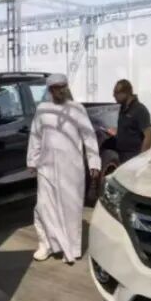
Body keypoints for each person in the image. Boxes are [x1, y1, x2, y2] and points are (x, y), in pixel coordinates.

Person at [26, 73, 101, 265]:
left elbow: (89, 136)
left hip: (71, 169)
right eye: (56, 87)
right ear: (50, 90)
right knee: (43, 206)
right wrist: (32, 160)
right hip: (46, 168)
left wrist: (94, 161)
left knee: (71, 209)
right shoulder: (42, 109)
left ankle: (71, 249)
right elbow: (35, 135)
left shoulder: (77, 109)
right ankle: (45, 244)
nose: (60, 90)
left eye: (63, 86)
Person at [109, 79, 151, 164]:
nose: (114, 95)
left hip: (133, 157)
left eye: (116, 92)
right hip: (120, 156)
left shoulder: (140, 110)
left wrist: (141, 159)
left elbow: (149, 136)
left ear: (126, 93)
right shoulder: (121, 109)